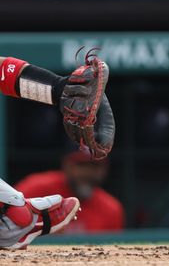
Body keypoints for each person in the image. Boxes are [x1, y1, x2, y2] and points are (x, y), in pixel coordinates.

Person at [0, 52, 113, 248]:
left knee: (18, 219)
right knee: (18, 218)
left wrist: (57, 89)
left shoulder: (110, 207)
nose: (87, 171)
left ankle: (12, 220)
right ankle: (12, 219)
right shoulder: (39, 183)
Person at [16, 149, 123, 233]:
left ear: (104, 170)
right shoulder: (35, 188)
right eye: (81, 165)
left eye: (94, 166)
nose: (87, 172)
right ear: (66, 165)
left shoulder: (111, 209)